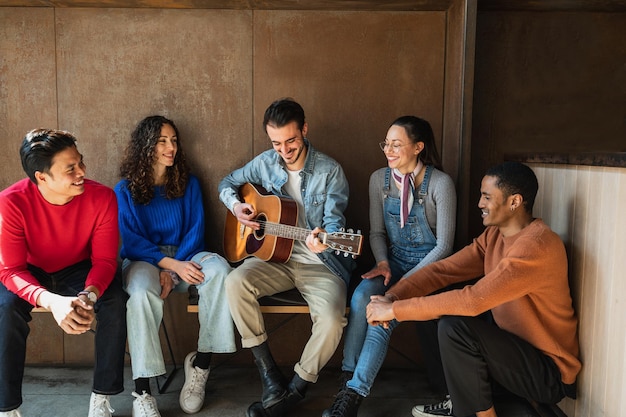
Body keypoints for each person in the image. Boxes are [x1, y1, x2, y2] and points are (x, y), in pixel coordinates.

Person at [361, 161, 581, 417]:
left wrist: (394, 311)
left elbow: (474, 301)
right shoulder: (495, 236)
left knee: (455, 327)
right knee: (431, 302)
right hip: (511, 352)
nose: (480, 204)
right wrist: (393, 296)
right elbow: (441, 271)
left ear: (515, 201)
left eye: (487, 197)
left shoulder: (536, 246)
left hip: (547, 372)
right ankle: (457, 400)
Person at [218, 98, 356, 417]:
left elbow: (335, 225)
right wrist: (236, 207)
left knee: (333, 319)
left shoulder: (330, 170)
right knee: (235, 282)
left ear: (304, 130)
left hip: (321, 264)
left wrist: (326, 240)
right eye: (276, 143)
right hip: (273, 258)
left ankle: (295, 389)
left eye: (291, 140)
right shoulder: (265, 162)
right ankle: (268, 374)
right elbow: (227, 183)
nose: (284, 149)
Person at [323, 116, 457, 416]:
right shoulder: (378, 180)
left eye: (397, 144)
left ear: (418, 147)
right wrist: (383, 262)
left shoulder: (441, 184)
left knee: (382, 317)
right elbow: (377, 233)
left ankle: (352, 399)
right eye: (386, 143)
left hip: (431, 272)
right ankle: (347, 379)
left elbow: (444, 247)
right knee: (361, 297)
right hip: (392, 264)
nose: (388, 150)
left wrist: (401, 287)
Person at [0, 129, 127, 417]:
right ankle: (7, 408)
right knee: (5, 308)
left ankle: (102, 397)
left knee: (114, 300)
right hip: (29, 270)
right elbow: (10, 270)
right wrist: (52, 301)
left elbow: (106, 261)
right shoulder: (11, 202)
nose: (82, 171)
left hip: (79, 268)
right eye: (71, 168)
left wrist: (90, 294)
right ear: (42, 177)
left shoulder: (103, 197)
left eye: (80, 162)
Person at [115, 115, 236, 416]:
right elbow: (131, 242)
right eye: (162, 141)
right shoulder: (124, 190)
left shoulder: (188, 183)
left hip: (186, 255)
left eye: (174, 140)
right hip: (144, 260)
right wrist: (167, 266)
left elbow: (195, 232)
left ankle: (201, 365)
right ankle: (142, 391)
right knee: (141, 292)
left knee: (221, 271)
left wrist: (173, 270)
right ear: (146, 147)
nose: (171, 147)